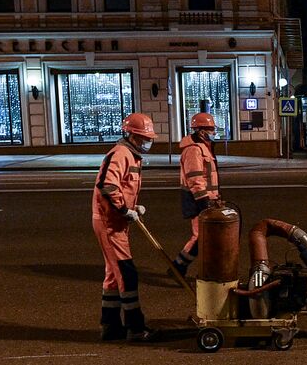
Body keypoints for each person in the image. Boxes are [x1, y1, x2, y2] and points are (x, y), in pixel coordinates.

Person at [91, 112, 158, 342]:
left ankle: (109, 327)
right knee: (127, 274)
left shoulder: (131, 154)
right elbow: (108, 186)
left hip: (116, 220)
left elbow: (121, 186)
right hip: (110, 222)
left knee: (113, 276)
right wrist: (123, 209)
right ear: (132, 135)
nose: (148, 141)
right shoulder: (121, 154)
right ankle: (136, 329)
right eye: (144, 137)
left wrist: (133, 207)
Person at [172, 111, 221, 276]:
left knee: (206, 237)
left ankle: (185, 267)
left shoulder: (203, 147)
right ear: (201, 131)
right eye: (212, 129)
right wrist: (203, 201)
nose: (214, 133)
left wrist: (215, 198)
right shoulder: (193, 150)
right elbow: (195, 178)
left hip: (207, 199)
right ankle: (178, 267)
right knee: (201, 237)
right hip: (198, 200)